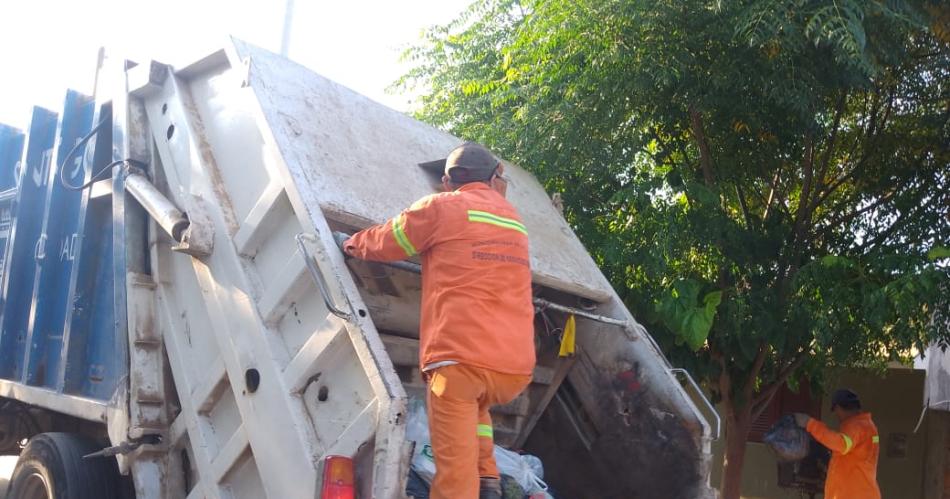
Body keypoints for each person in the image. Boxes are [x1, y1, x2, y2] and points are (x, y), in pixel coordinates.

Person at [343, 143, 536, 499]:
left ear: (448, 181)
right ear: (495, 179)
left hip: (460, 362)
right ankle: (489, 480)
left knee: (454, 480)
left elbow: (389, 241)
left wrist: (351, 244)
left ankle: (475, 483)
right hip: (514, 368)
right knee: (476, 408)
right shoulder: (514, 221)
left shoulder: (442, 207)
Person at [794, 389, 880, 499]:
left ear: (838, 408)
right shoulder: (867, 426)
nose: (837, 416)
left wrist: (810, 424)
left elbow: (841, 444)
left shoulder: (856, 427)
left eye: (836, 411)